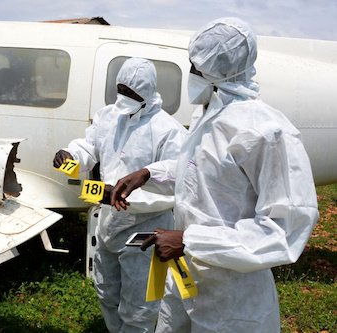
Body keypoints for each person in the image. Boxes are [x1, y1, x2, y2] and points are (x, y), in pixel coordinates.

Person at [110, 18, 319, 333]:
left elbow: (284, 228)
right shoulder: (209, 114)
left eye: (196, 68)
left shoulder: (264, 131)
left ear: (220, 72)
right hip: (186, 277)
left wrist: (188, 240)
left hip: (232, 296)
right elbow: (198, 175)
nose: (190, 74)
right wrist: (147, 173)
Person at [53, 57, 187, 333]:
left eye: (132, 93)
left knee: (140, 303)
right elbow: (90, 147)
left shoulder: (167, 129)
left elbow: (180, 172)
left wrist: (147, 174)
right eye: (122, 90)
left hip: (147, 227)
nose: (124, 97)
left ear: (147, 93)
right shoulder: (108, 116)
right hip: (110, 221)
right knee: (107, 290)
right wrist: (72, 155)